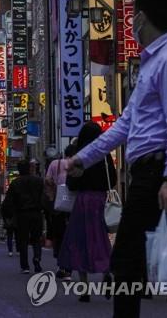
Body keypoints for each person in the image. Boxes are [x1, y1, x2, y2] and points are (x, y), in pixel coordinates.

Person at [66, 0, 167, 317]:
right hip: (150, 173)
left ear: (142, 17)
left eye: (132, 16)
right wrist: (82, 159)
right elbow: (126, 124)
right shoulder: (153, 63)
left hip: (159, 172)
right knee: (152, 264)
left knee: (129, 263)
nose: (130, 22)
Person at [57, 122, 115, 302]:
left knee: (80, 242)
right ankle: (107, 272)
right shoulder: (104, 156)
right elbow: (112, 180)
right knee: (101, 240)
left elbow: (71, 184)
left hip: (82, 203)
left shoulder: (79, 156)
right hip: (100, 201)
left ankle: (84, 289)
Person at [2, 159, 45, 274]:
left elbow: (8, 202)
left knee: (23, 240)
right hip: (36, 213)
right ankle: (37, 258)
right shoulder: (39, 181)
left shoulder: (15, 182)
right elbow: (44, 197)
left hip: (22, 214)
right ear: (30, 168)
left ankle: (25, 266)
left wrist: (8, 215)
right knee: (36, 239)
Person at [45, 144, 78, 281]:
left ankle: (61, 265)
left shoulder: (55, 163)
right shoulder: (77, 164)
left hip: (59, 204)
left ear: (64, 153)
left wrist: (55, 185)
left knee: (59, 234)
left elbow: (47, 180)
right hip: (74, 204)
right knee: (72, 235)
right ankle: (69, 268)